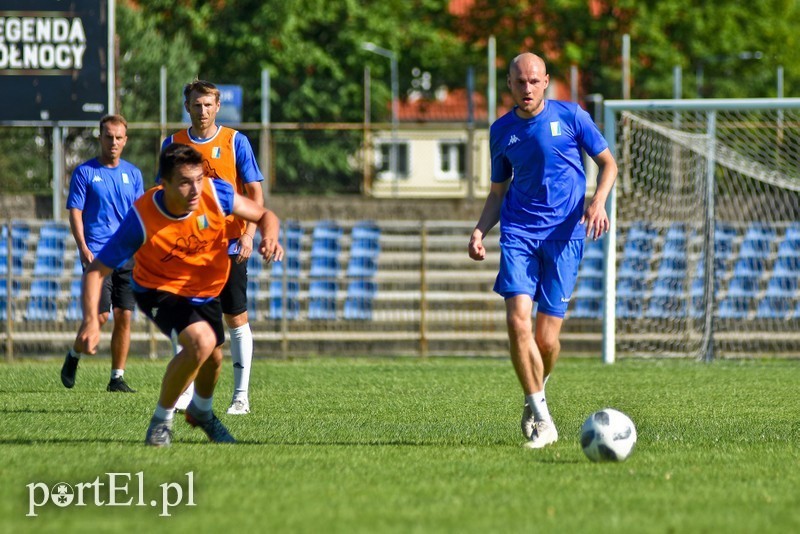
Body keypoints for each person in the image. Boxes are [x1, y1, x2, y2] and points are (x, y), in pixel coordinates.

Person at [75, 143, 284, 446]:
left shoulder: (214, 193)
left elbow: (265, 215)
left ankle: (201, 412)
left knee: (213, 358)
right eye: (185, 182)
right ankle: (162, 421)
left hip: (204, 290)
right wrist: (91, 321)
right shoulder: (143, 216)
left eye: (198, 179)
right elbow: (96, 270)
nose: (195, 189)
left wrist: (270, 237)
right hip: (159, 290)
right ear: (164, 182)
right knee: (201, 341)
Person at [468, 53, 618, 449]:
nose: (528, 88)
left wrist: (598, 202)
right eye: (520, 82)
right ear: (510, 85)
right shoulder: (500, 131)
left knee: (546, 341)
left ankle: (534, 393)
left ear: (547, 81)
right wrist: (480, 231)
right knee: (518, 322)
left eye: (534, 81)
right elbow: (498, 191)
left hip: (566, 236)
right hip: (518, 232)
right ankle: (544, 419)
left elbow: (608, 165)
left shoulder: (572, 116)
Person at [161, 79, 264, 415]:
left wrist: (248, 234)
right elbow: (163, 195)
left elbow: (254, 193)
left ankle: (240, 396)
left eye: (208, 105)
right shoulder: (173, 143)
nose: (202, 111)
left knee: (235, 317)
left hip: (230, 243)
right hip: (190, 246)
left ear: (217, 107)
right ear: (187, 106)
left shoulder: (235, 141)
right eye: (196, 104)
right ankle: (186, 392)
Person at [61, 114, 145, 392]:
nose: (113, 142)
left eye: (118, 137)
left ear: (125, 140)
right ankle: (74, 355)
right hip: (97, 254)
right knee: (99, 318)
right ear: (100, 137)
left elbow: (139, 215)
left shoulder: (133, 174)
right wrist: (83, 247)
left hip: (127, 255)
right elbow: (76, 211)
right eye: (108, 136)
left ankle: (116, 378)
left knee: (125, 315)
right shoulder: (85, 172)